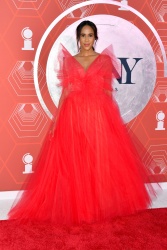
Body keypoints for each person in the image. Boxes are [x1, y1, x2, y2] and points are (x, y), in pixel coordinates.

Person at [8, 20, 156, 225]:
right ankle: (80, 207)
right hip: (73, 115)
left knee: (98, 159)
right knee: (76, 161)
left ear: (95, 37)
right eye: (83, 35)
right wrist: (56, 120)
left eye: (90, 35)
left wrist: (112, 120)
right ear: (78, 38)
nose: (86, 39)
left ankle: (101, 206)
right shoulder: (69, 61)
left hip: (98, 114)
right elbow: (65, 93)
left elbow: (107, 91)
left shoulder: (104, 60)